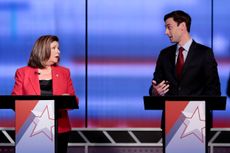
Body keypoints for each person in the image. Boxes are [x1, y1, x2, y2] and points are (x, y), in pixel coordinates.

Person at [149, 10, 221, 130]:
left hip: (197, 124)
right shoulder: (164, 54)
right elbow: (155, 84)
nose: (166, 32)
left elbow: (214, 90)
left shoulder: (204, 53)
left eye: (169, 27)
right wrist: (154, 92)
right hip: (171, 124)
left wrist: (194, 110)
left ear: (182, 26)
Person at [12, 35, 79, 153]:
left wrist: (66, 100)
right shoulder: (23, 72)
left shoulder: (64, 72)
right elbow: (14, 101)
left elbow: (74, 100)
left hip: (60, 129)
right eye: (54, 48)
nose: (58, 51)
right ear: (43, 49)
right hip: (31, 129)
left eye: (58, 48)